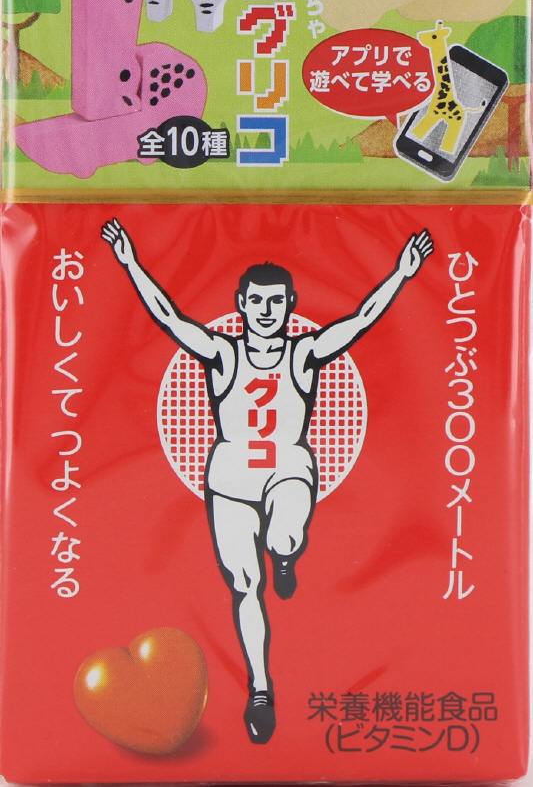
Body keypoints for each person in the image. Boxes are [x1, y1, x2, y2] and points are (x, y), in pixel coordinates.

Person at [101, 219, 433, 744]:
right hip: (231, 479)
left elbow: (360, 319)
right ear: (241, 304)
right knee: (243, 585)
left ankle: (284, 553)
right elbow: (168, 316)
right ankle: (260, 688)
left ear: (288, 305)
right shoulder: (222, 354)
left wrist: (402, 273)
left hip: (288, 469)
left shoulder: (304, 354)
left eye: (276, 301)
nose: (265, 309)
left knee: (283, 533)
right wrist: (130, 262)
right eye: (256, 301)